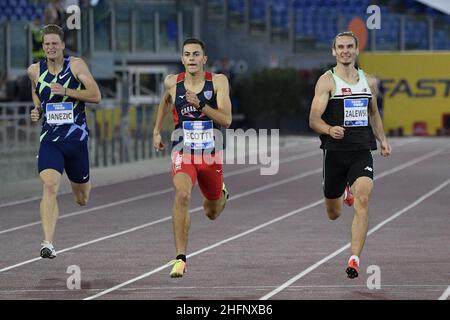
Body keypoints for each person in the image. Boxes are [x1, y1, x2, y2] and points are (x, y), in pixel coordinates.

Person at [309, 31, 392, 279]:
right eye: (340, 47)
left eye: (349, 47)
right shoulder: (327, 81)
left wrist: (383, 140)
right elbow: (313, 119)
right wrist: (328, 129)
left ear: (356, 51)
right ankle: (343, 189)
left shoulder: (368, 81)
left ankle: (354, 258)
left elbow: (373, 113)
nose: (345, 51)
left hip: (361, 151)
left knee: (363, 200)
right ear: (334, 51)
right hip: (334, 153)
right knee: (333, 214)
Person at [153, 38, 232, 278]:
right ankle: (180, 259)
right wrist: (157, 130)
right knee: (183, 194)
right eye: (187, 54)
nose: (191, 58)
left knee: (212, 212)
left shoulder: (217, 82)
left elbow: (226, 120)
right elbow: (165, 102)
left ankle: (222, 194)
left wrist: (201, 105)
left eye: (196, 54)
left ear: (204, 59)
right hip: (183, 150)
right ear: (182, 59)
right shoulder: (172, 83)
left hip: (209, 154)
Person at [27, 24, 101, 259]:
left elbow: (95, 95)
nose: (50, 48)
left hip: (76, 141)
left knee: (82, 199)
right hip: (50, 140)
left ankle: (81, 185)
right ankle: (47, 242)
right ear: (43, 47)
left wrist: (67, 91)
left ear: (62, 46)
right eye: (46, 44)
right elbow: (36, 93)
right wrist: (37, 110)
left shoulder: (76, 65)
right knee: (49, 186)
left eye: (54, 44)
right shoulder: (34, 70)